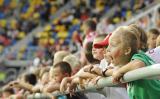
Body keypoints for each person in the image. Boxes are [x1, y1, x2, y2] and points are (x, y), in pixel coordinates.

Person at [105, 26, 160, 99]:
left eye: (113, 45)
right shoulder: (129, 65)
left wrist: (119, 71)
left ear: (127, 50)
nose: (108, 49)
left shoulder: (139, 56)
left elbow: (138, 64)